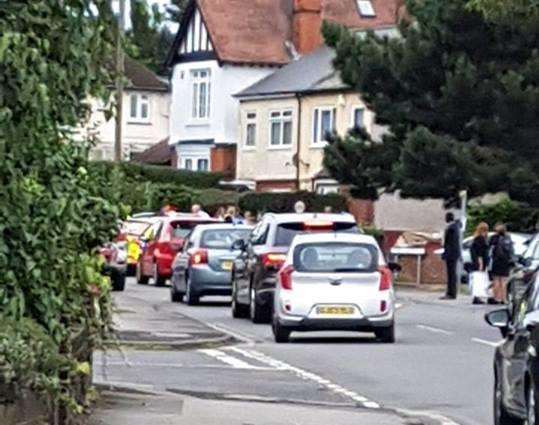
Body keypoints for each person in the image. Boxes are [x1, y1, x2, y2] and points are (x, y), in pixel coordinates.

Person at [489, 223, 514, 304]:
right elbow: (511, 251)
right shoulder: (508, 238)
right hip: (505, 262)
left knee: (496, 280)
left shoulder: (494, 238)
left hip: (496, 261)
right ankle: (504, 299)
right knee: (503, 281)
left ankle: (496, 298)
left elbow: (489, 248)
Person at [441, 212, 461, 300]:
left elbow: (449, 243)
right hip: (454, 254)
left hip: (451, 254)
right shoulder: (455, 227)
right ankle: (451, 292)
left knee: (451, 274)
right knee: (452, 274)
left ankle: (451, 293)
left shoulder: (451, 228)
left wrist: (446, 253)